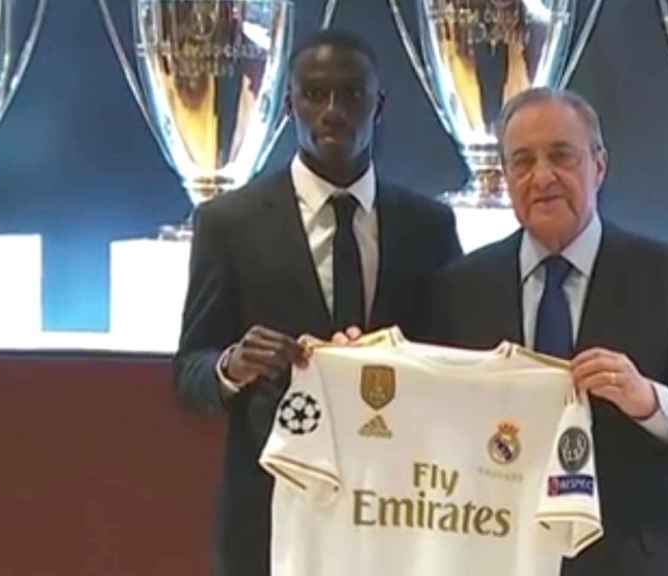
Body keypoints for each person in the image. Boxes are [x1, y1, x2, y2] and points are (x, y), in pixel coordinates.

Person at [173, 29, 462, 576]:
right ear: (288, 105)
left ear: (379, 107)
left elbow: (457, 357)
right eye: (315, 94)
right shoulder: (228, 223)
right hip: (273, 514)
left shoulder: (429, 226)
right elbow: (189, 373)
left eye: (352, 95)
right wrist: (232, 366)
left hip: (400, 511)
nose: (332, 111)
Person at [425, 87, 668, 576]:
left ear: (599, 165)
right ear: (506, 177)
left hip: (628, 560)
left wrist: (649, 401)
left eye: (561, 155)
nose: (543, 177)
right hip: (494, 556)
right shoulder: (461, 287)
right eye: (522, 161)